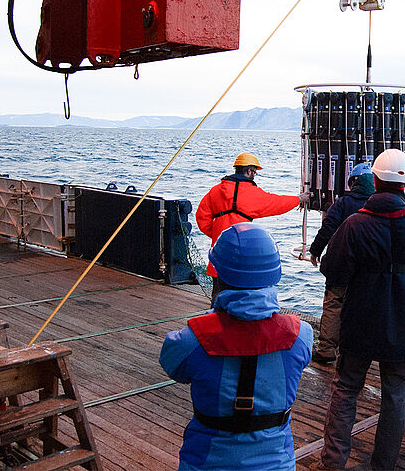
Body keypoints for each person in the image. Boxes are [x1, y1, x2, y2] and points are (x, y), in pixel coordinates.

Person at [317, 148, 405, 470]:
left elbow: (333, 270)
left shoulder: (355, 225)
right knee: (396, 396)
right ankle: (383, 466)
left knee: (346, 390)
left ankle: (332, 463)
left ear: (375, 180)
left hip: (360, 321)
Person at [160, 223, 313, 470]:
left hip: (206, 462)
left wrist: (213, 315)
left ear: (219, 274)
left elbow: (171, 363)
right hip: (276, 463)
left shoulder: (193, 340)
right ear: (274, 275)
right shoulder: (301, 335)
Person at [196, 151, 309, 304]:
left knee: (218, 294)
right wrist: (299, 199)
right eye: (255, 172)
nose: (255, 175)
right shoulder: (252, 193)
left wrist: (218, 235)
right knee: (240, 297)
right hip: (242, 256)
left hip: (220, 252)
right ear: (249, 171)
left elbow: (201, 217)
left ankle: (216, 321)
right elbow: (276, 203)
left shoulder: (215, 191)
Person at [308, 162, 375, 363]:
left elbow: (328, 227)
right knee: (362, 307)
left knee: (334, 304)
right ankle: (356, 352)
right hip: (368, 269)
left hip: (340, 265)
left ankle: (327, 350)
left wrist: (315, 250)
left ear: (354, 182)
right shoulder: (378, 203)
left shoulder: (343, 204)